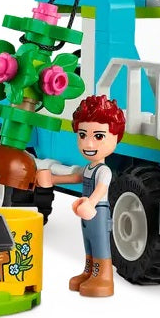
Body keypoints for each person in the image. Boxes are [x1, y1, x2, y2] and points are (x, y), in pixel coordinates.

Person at [48, 95, 126, 298]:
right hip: (86, 210)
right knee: (89, 241)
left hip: (97, 211)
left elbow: (101, 189)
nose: (88, 143)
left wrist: (90, 203)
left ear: (116, 138)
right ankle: (89, 271)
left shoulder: (104, 170)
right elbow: (75, 177)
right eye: (82, 135)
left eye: (98, 136)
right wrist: (53, 179)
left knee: (99, 242)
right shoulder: (89, 168)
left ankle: (103, 277)